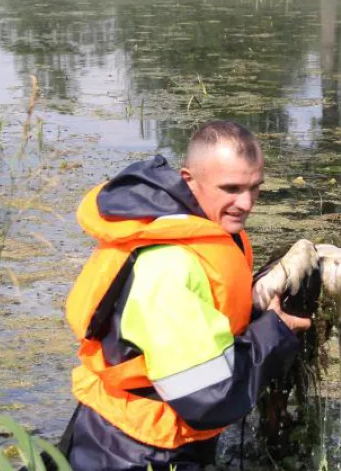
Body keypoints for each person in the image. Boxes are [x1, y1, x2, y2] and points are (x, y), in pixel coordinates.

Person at [57, 121, 310, 470]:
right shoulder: (168, 266)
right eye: (231, 188)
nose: (246, 203)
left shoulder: (214, 230)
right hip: (135, 447)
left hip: (161, 433)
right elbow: (208, 396)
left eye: (255, 187)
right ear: (189, 179)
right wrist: (273, 332)